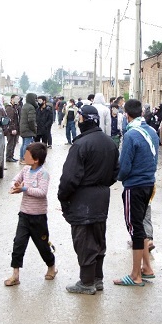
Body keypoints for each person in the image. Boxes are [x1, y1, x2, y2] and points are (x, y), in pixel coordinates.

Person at [58, 105, 120, 295]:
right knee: (98, 238)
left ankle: (87, 282)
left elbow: (69, 177)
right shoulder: (110, 143)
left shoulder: (81, 145)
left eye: (80, 119)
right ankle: (97, 279)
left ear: (84, 120)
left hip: (83, 199)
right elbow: (115, 173)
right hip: (101, 197)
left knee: (84, 241)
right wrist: (100, 185)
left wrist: (62, 196)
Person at [114, 99, 159, 287]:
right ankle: (147, 269)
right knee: (141, 225)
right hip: (149, 183)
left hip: (135, 185)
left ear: (126, 114)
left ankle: (135, 275)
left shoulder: (131, 135)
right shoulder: (151, 131)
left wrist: (118, 177)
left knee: (135, 229)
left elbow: (124, 165)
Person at [4, 143, 56, 286]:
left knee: (43, 246)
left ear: (36, 160)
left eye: (27, 155)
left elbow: (42, 192)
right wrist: (15, 186)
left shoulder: (43, 174)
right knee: (18, 245)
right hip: (24, 215)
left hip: (38, 217)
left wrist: (25, 189)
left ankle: (51, 266)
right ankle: (15, 275)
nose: (24, 157)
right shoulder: (26, 169)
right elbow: (16, 179)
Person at [19, 93, 38, 163]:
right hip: (28, 129)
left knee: (23, 144)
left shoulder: (24, 106)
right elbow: (31, 120)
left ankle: (21, 158)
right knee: (27, 145)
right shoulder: (31, 107)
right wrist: (34, 129)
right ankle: (24, 159)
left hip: (23, 128)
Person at [5, 94, 21, 162]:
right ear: (12, 99)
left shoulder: (15, 107)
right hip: (11, 130)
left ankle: (11, 156)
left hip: (15, 128)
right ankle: (8, 157)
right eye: (16, 99)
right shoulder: (9, 108)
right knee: (11, 143)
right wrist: (12, 129)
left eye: (18, 99)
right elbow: (10, 120)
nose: (17, 100)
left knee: (14, 143)